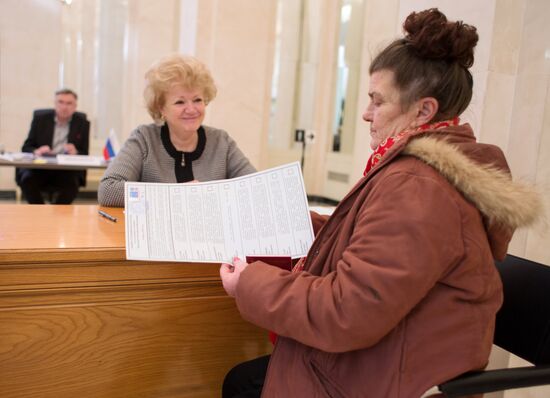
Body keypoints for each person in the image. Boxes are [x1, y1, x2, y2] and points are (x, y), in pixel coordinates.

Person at [219, 8, 543, 398]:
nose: (366, 114)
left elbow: (346, 311)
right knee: (242, 379)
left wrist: (249, 284)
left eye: (377, 100)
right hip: (387, 353)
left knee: (241, 382)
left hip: (388, 374)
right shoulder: (421, 172)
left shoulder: (419, 187)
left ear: (423, 110)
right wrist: (292, 223)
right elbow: (372, 247)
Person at [98, 54, 256, 207]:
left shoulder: (221, 142)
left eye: (197, 100)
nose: (191, 109)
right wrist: (176, 195)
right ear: (162, 108)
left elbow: (255, 187)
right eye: (180, 102)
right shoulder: (144, 139)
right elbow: (108, 190)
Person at [16, 88, 90, 204]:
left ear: (75, 106)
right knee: (26, 179)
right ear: (55, 104)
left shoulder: (82, 123)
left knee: (73, 183)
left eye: (69, 103)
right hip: (41, 168)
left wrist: (75, 152)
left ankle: (57, 212)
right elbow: (26, 147)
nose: (64, 107)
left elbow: (84, 153)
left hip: (66, 170)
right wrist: (37, 151)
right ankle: (40, 211)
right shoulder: (40, 119)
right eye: (60, 102)